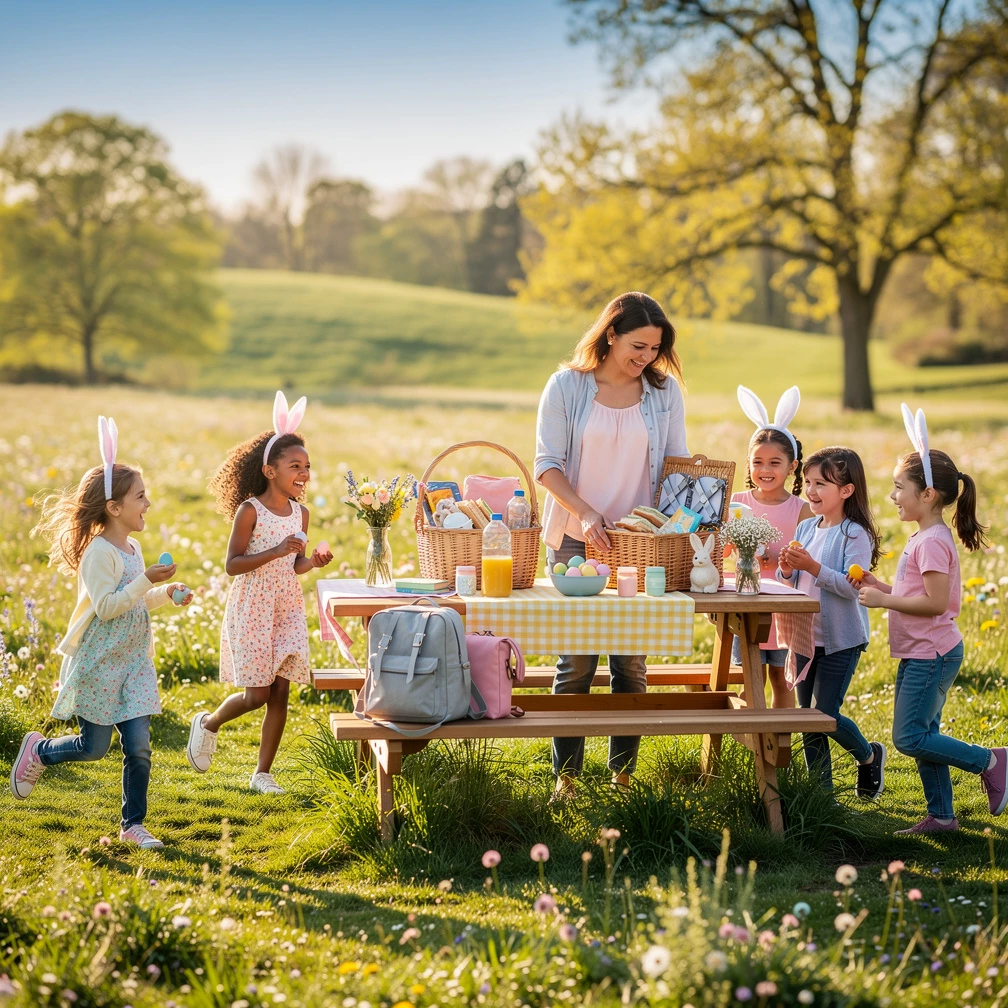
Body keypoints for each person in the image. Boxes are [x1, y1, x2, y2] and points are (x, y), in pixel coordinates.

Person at [534, 291, 688, 799]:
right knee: (575, 663)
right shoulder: (567, 386)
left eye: (654, 349)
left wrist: (689, 488)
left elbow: (675, 465)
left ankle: (622, 776)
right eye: (638, 345)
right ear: (610, 335)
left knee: (630, 664)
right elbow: (546, 465)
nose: (646, 357)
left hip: (640, 548)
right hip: (578, 541)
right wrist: (586, 511)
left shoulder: (664, 393)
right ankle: (568, 780)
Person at [11, 417, 190, 850]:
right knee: (93, 747)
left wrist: (165, 592)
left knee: (139, 745)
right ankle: (39, 752)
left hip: (133, 661)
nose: (148, 503)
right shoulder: (98, 553)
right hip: (99, 660)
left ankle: (133, 824)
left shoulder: (132, 547)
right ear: (114, 507)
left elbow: (136, 601)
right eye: (140, 496)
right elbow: (109, 608)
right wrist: (146, 580)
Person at [857, 403, 1005, 833]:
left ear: (927, 495)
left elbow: (937, 603)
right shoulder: (924, 536)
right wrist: (882, 587)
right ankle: (942, 816)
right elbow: (916, 594)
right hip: (922, 650)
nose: (892, 496)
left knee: (909, 738)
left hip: (933, 653)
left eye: (898, 487)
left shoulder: (933, 542)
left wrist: (884, 604)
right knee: (925, 736)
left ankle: (991, 760)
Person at [186, 392, 332, 793]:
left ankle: (262, 773)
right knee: (257, 694)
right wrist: (274, 551)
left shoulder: (301, 513)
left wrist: (312, 563)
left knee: (281, 690)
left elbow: (293, 565)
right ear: (269, 471)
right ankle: (209, 723)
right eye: (294, 466)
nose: (303, 473)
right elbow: (232, 564)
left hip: (285, 605)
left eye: (307, 467)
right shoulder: (249, 510)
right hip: (252, 604)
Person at [777, 446, 886, 800]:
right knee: (807, 720)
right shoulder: (807, 527)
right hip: (805, 638)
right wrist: (789, 570)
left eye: (821, 483)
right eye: (807, 482)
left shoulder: (855, 535)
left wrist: (811, 567)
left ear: (846, 490)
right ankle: (820, 798)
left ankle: (868, 756)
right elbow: (794, 583)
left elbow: (851, 588)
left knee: (823, 714)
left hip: (840, 639)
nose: (811, 490)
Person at [730, 385, 814, 708]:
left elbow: (807, 559)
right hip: (746, 606)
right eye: (758, 462)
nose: (765, 470)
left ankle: (779, 747)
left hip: (784, 611)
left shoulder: (801, 509)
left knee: (781, 678)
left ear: (791, 467)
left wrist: (787, 559)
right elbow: (721, 552)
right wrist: (743, 548)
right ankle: (748, 745)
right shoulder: (737, 503)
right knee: (749, 678)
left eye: (775, 463)